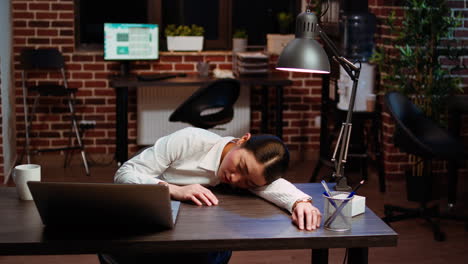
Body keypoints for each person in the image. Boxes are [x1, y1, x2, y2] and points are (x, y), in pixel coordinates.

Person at [108, 127, 321, 264]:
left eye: (247, 182)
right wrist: (175, 189)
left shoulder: (248, 176)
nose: (236, 179)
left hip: (189, 233)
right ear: (242, 140)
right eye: (240, 166)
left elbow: (270, 186)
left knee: (215, 252)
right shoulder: (189, 140)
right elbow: (124, 175)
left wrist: (300, 202)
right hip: (148, 219)